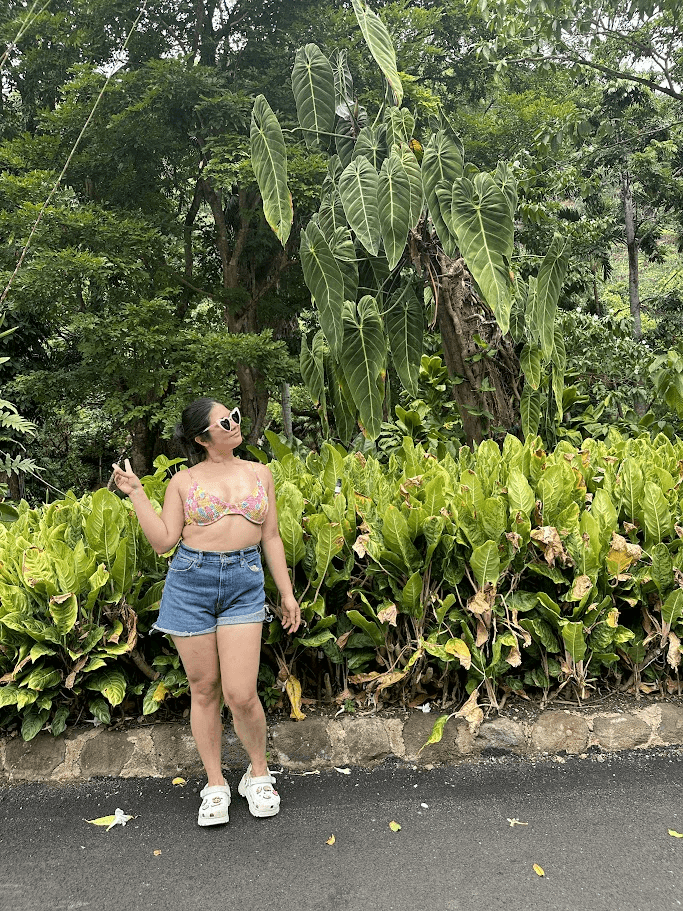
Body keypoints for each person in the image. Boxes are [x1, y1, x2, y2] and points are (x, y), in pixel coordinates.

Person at [112, 397, 301, 827]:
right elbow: (163, 541)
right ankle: (215, 783)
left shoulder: (260, 473)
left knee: (241, 693)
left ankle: (258, 774)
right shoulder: (182, 482)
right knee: (204, 689)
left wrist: (286, 593)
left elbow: (270, 536)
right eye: (224, 422)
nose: (234, 423)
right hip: (190, 583)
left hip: (244, 584)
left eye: (233, 417)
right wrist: (137, 493)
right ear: (202, 437)